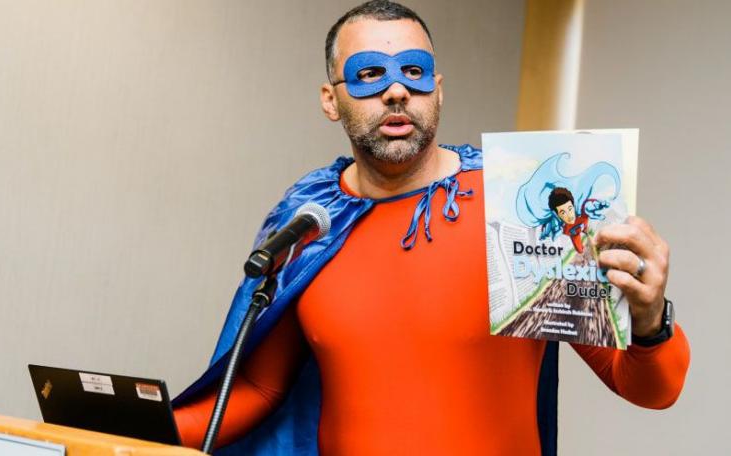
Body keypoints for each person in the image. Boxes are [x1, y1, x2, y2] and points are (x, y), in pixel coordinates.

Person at [172, 1, 690, 455]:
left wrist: (650, 323)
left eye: (414, 72)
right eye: (369, 74)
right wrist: (125, 425)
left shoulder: (515, 204)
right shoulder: (311, 222)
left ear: (437, 92)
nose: (397, 90)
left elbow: (649, 389)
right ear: (331, 99)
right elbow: (259, 390)